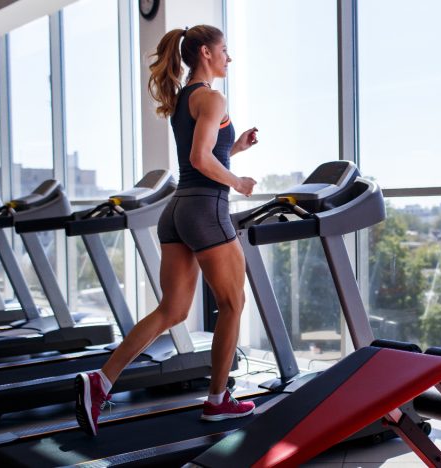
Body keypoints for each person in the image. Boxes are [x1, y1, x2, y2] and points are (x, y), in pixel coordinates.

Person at [74, 24, 259, 436]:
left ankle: (100, 381)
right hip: (206, 210)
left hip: (176, 211)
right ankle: (217, 402)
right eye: (224, 50)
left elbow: (201, 154)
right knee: (232, 304)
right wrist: (238, 181)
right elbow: (201, 157)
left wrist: (237, 146)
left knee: (172, 310)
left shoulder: (184, 99)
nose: (229, 57)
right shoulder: (213, 97)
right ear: (206, 54)